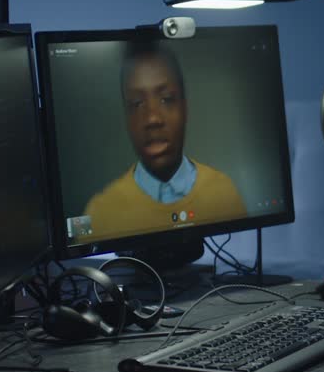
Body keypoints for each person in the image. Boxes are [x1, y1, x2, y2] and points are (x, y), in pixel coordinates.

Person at [82, 40, 247, 237]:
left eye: (167, 99)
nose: (152, 118)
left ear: (185, 108)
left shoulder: (224, 193)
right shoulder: (100, 213)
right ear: (126, 118)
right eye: (136, 103)